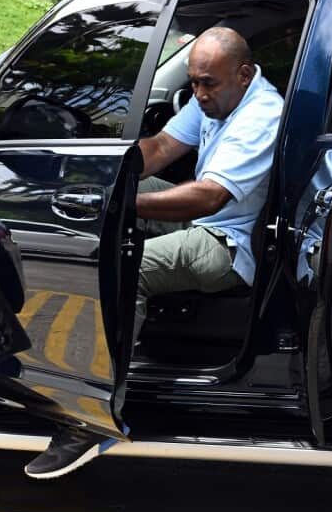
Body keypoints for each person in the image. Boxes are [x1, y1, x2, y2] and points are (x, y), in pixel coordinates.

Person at [23, 26, 284, 479]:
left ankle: (91, 416)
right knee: (125, 189)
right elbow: (162, 148)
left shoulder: (262, 115)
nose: (198, 94)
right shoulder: (218, 98)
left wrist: (114, 204)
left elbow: (208, 198)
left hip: (230, 242)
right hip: (206, 217)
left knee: (127, 268)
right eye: (193, 82)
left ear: (244, 74)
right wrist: (102, 175)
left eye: (208, 84)